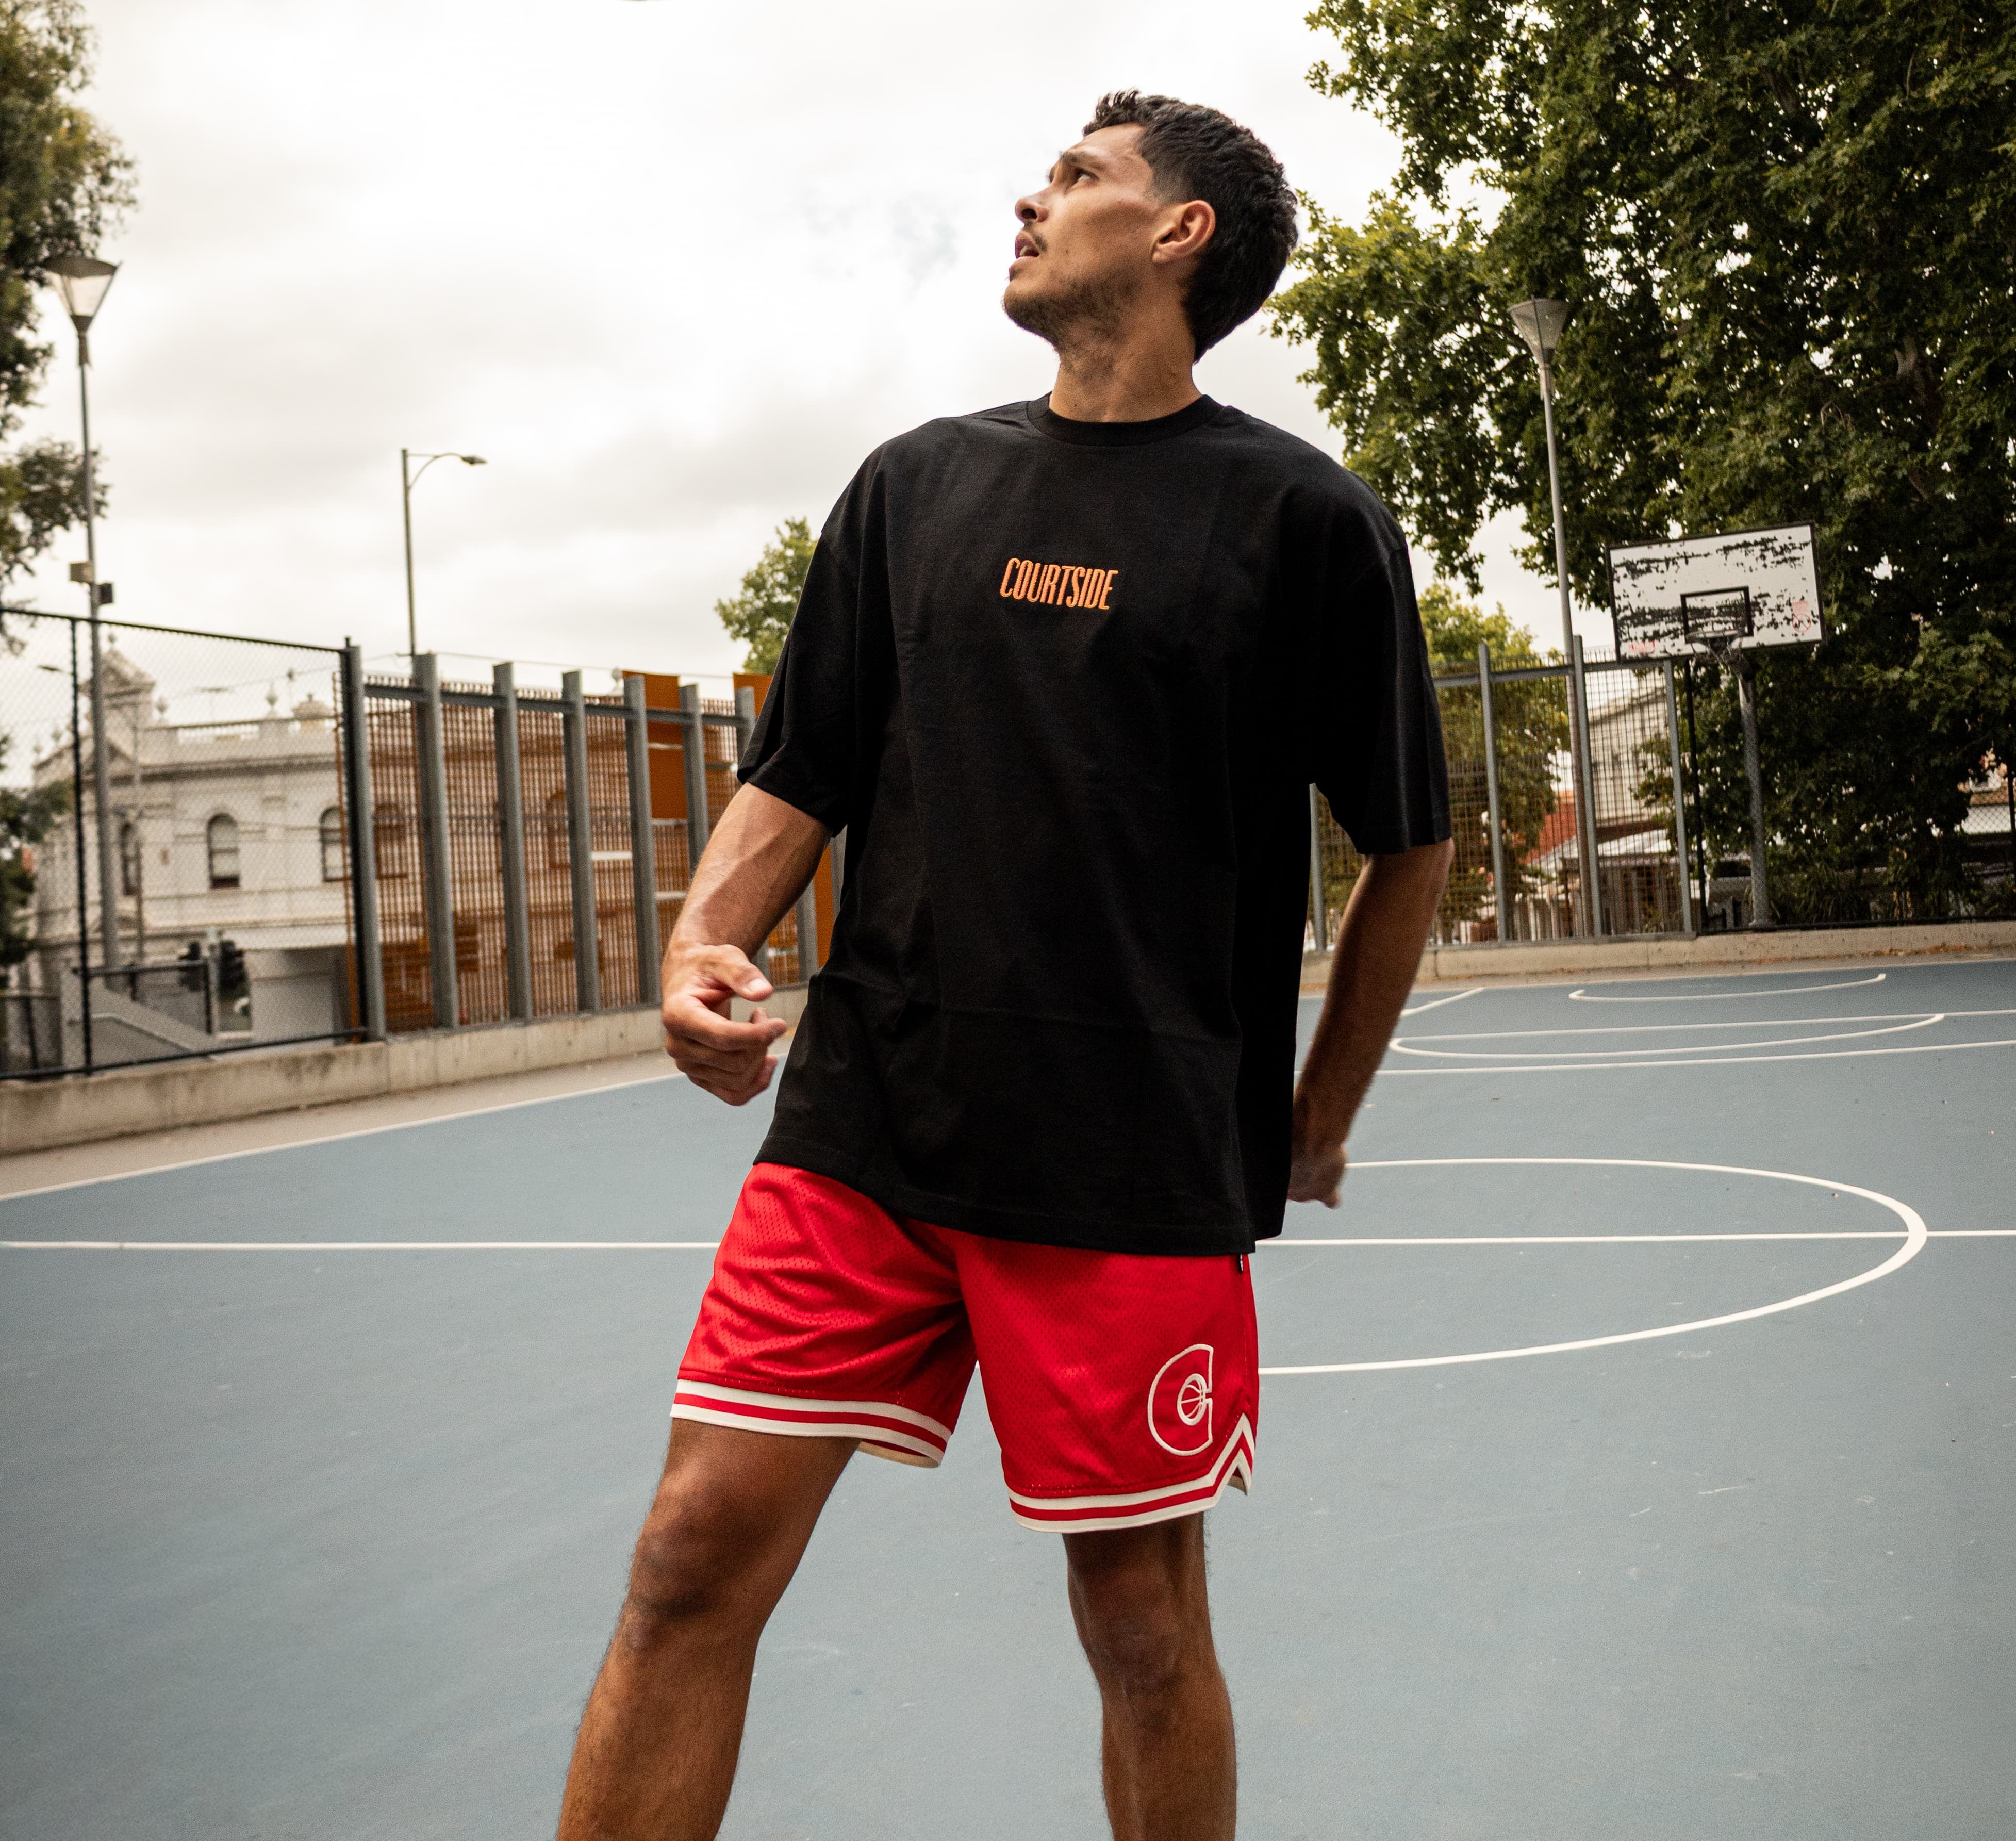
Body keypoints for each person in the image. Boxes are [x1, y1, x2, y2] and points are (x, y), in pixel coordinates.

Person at [556, 91, 1454, 1841]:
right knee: (686, 1557)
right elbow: (804, 769)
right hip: (868, 1126)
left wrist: (1319, 1112)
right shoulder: (916, 486)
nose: (1031, 198)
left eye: (1079, 176)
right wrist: (703, 939)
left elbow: (1408, 840)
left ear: (1180, 233)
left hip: (1130, 1157)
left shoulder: (1302, 521)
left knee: (1140, 1629)